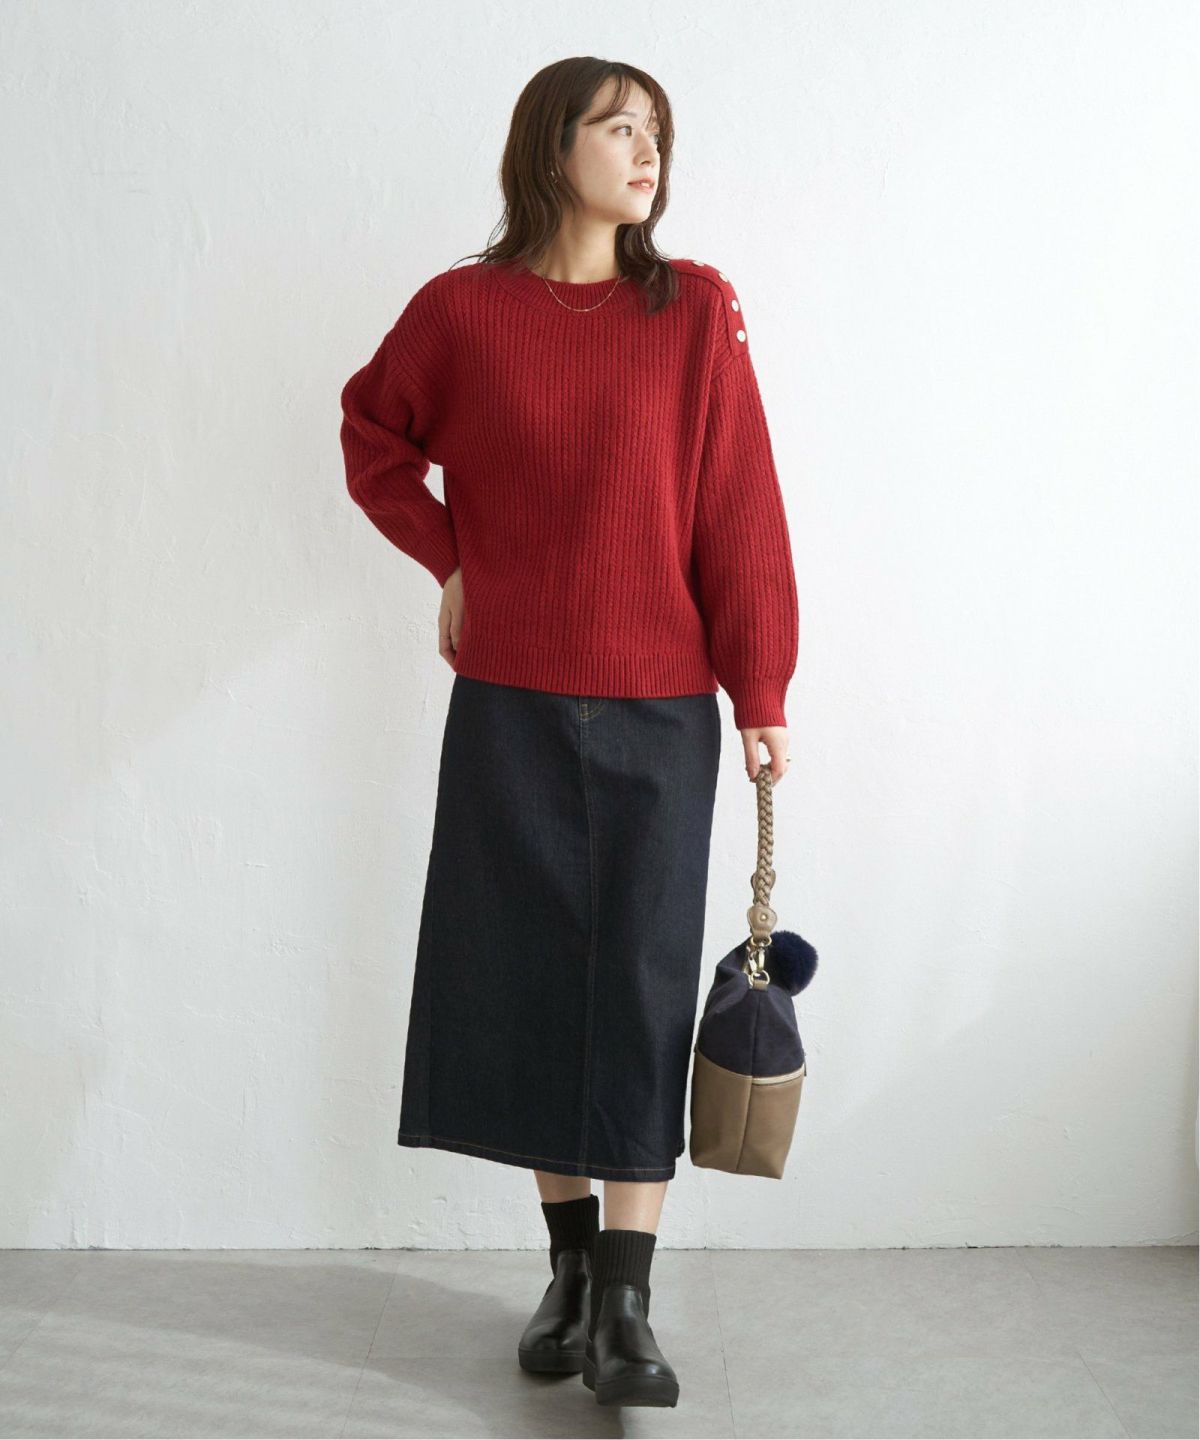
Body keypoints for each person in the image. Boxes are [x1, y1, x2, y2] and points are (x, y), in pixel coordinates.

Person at [339, 56, 799, 1410]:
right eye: (618, 128)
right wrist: (449, 559)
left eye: (658, 132)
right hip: (512, 702)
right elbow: (372, 435)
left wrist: (762, 688)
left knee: (642, 988)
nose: (647, 152)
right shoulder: (463, 311)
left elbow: (739, 503)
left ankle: (629, 1306)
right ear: (553, 149)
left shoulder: (695, 309)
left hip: (661, 706)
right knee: (535, 978)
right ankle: (571, 1274)